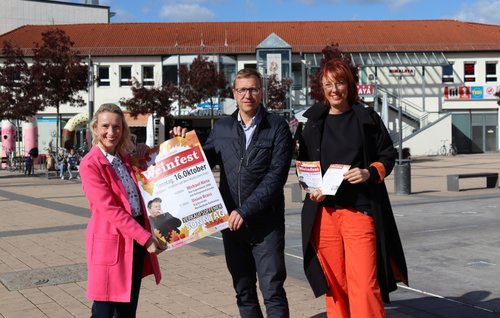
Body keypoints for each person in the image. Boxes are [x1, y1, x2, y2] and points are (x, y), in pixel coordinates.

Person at [172, 68, 293, 318]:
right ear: (234, 94)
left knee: (273, 291)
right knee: (244, 291)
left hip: (265, 226)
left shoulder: (278, 127)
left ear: (261, 92)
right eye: (242, 90)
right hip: (231, 225)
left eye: (253, 89)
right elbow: (200, 162)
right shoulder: (222, 127)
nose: (247, 94)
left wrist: (245, 211)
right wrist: (181, 144)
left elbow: (276, 177)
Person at [298, 59, 408, 318]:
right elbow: (304, 166)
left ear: (349, 84)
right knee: (335, 286)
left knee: (365, 285)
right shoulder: (313, 122)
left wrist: (369, 171)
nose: (334, 89)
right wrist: (312, 188)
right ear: (321, 89)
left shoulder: (366, 117)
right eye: (328, 84)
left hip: (360, 212)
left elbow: (388, 155)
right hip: (324, 215)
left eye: (339, 82)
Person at [79, 103, 164, 318]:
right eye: (105, 126)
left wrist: (145, 151)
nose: (111, 132)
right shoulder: (91, 164)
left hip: (133, 243)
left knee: (128, 310)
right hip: (111, 244)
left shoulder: (125, 158)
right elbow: (110, 209)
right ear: (96, 128)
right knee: (104, 312)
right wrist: (146, 239)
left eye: (117, 127)